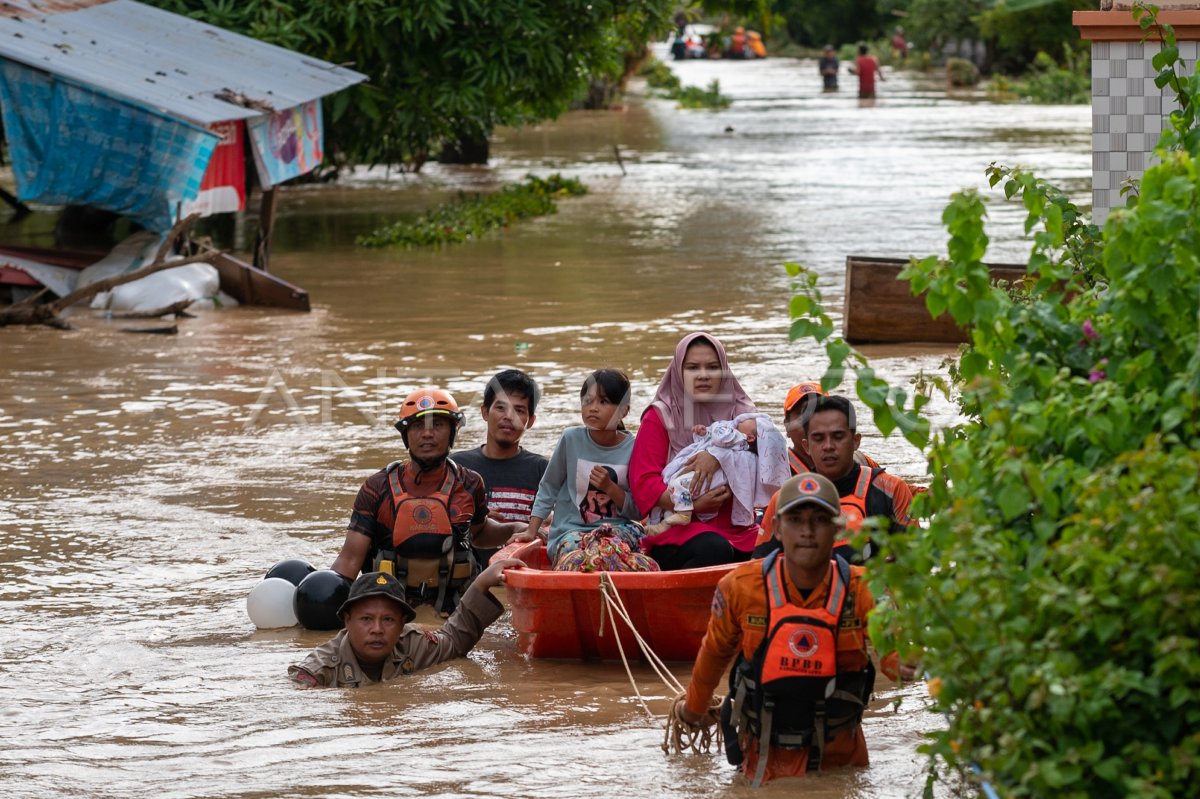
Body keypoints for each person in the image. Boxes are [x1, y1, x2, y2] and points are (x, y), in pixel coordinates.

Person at [676, 472, 909, 785]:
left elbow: (896, 659)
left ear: (838, 530)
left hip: (842, 761)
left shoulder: (867, 590)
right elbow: (714, 654)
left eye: (819, 520)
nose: (807, 532)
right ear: (776, 528)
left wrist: (914, 661)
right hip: (763, 762)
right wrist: (693, 711)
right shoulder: (739, 587)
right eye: (795, 520)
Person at [328, 388, 525, 616]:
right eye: (418, 426)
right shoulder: (377, 488)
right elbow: (349, 560)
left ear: (452, 432)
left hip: (453, 614)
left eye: (438, 425)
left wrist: (514, 528)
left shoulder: (470, 483)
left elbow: (479, 534)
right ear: (407, 435)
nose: (427, 434)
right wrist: (330, 601)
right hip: (390, 615)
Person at [630, 332, 760, 570]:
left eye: (712, 367)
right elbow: (643, 482)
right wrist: (692, 505)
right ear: (679, 372)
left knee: (773, 546)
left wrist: (717, 457)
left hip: (738, 527)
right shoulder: (660, 416)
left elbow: (767, 467)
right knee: (714, 548)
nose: (703, 375)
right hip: (679, 528)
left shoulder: (744, 414)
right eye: (692, 368)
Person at [288, 558, 522, 687]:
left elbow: (454, 641)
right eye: (366, 619)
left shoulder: (412, 644)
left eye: (388, 620)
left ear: (402, 624)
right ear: (347, 621)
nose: (377, 630)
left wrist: (481, 583)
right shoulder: (319, 671)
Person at [755, 394, 915, 562]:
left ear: (856, 441)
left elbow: (916, 562)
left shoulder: (891, 490)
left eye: (838, 437)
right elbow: (758, 570)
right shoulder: (782, 500)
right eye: (819, 438)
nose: (828, 446)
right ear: (806, 446)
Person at [514, 369, 646, 568]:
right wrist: (532, 531)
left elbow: (638, 510)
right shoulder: (571, 439)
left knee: (615, 548)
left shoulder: (634, 448)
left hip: (619, 530)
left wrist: (611, 488)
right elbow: (549, 487)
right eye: (588, 401)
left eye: (603, 402)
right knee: (576, 554)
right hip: (571, 531)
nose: (593, 408)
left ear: (624, 411)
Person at [452, 369, 548, 565]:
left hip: (521, 573)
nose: (508, 416)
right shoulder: (457, 468)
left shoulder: (544, 471)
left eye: (519, 410)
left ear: (530, 421)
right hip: (468, 574)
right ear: (485, 412)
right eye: (501, 408)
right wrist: (479, 519)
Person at [646, 413, 788, 536]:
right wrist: (704, 432)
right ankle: (663, 525)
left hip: (705, 482)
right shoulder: (738, 438)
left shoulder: (738, 439)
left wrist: (716, 438)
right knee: (673, 489)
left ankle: (683, 513)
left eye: (751, 421)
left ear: (750, 437)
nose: (745, 418)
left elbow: (721, 437)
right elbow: (712, 438)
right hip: (699, 476)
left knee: (677, 486)